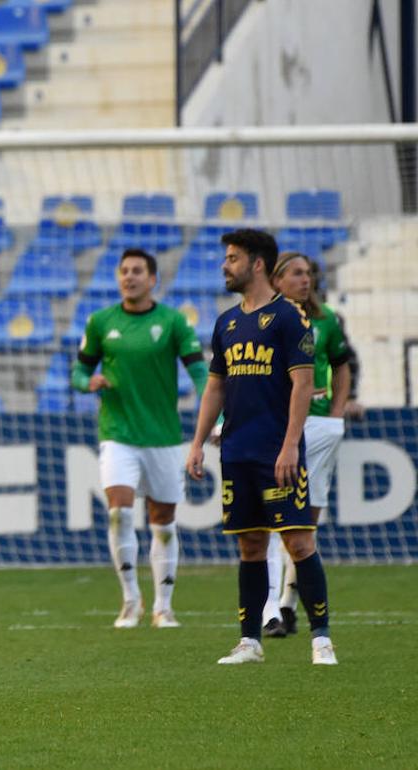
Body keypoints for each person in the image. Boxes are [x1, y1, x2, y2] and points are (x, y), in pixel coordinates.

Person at [186, 229, 336, 666]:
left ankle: (321, 639)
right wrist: (197, 443)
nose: (224, 265)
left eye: (232, 258)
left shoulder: (290, 318)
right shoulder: (226, 323)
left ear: (255, 264)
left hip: (278, 455)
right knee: (250, 546)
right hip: (237, 452)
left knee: (299, 543)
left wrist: (291, 446)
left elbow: (303, 384)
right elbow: (215, 387)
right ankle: (250, 641)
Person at [71, 248, 207, 629]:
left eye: (137, 271)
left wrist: (214, 412)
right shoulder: (100, 322)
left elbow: (200, 373)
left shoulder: (173, 322)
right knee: (119, 511)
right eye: (123, 271)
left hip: (163, 436)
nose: (128, 277)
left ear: (152, 279)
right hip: (117, 433)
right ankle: (131, 600)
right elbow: (78, 374)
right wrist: (89, 382)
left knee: (163, 520)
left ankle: (163, 606)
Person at [261, 253, 353, 638]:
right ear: (277, 279)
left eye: (309, 273)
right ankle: (272, 609)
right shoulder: (264, 320)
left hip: (317, 429)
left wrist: (335, 413)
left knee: (304, 525)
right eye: (297, 273)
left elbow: (342, 365)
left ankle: (287, 602)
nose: (306, 280)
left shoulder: (326, 320)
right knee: (271, 519)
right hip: (278, 428)